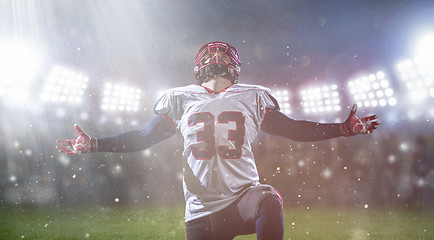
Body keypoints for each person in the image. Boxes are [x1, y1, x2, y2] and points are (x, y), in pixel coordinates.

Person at [57, 41, 380, 240]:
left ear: (234, 65)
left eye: (221, 50)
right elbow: (143, 138)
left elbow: (293, 129)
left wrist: (343, 128)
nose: (215, 53)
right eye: (210, 51)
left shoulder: (252, 96)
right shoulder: (180, 99)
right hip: (200, 212)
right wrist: (96, 144)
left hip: (242, 199)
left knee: (269, 199)